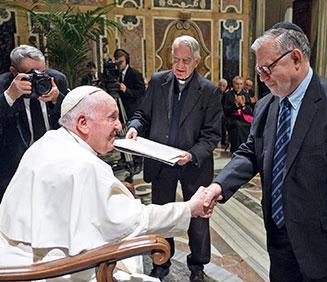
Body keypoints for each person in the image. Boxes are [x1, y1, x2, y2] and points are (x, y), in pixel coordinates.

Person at [203, 22, 327, 282]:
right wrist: (219, 186)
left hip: (326, 245)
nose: (262, 79)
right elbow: (250, 153)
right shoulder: (268, 105)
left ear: (296, 58)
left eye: (267, 69)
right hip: (279, 238)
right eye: (259, 71)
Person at [0, 85, 209, 282]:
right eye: (112, 118)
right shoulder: (85, 166)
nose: (119, 126)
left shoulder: (47, 142)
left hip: (17, 259)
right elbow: (133, 222)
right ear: (82, 123)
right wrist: (190, 208)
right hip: (60, 270)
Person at [126, 35, 222, 281]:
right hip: (162, 164)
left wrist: (192, 154)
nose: (180, 65)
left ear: (197, 61)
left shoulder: (209, 91)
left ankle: (198, 266)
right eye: (176, 60)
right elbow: (142, 114)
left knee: (198, 218)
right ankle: (161, 261)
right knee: (162, 214)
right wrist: (135, 126)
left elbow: (212, 135)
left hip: (194, 166)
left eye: (186, 61)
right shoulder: (158, 82)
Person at [0, 45, 69, 202]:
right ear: (13, 72)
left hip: (55, 159)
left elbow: (75, 117)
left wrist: (58, 99)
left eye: (42, 72)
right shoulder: (3, 85)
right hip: (16, 163)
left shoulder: (56, 80)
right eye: (31, 74)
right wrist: (9, 97)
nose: (38, 77)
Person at [114, 48, 146, 179]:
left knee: (134, 135)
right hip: (119, 109)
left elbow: (141, 93)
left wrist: (126, 90)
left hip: (132, 109)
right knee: (121, 133)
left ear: (126, 61)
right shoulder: (115, 74)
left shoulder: (135, 74)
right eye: (117, 62)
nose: (119, 65)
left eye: (121, 62)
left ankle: (138, 161)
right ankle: (123, 158)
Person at [222, 76, 254, 153]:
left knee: (249, 126)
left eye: (240, 84)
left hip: (244, 118)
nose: (239, 86)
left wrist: (243, 106)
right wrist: (235, 105)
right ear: (233, 84)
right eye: (237, 84)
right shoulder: (228, 94)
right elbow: (225, 111)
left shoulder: (245, 95)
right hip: (232, 119)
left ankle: (247, 149)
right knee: (238, 126)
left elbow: (251, 111)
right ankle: (237, 150)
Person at [218, 79, 228, 147]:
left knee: (223, 119)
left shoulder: (227, 94)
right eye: (220, 85)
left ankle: (223, 141)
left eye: (223, 86)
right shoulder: (213, 92)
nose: (221, 87)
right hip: (214, 112)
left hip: (223, 113)